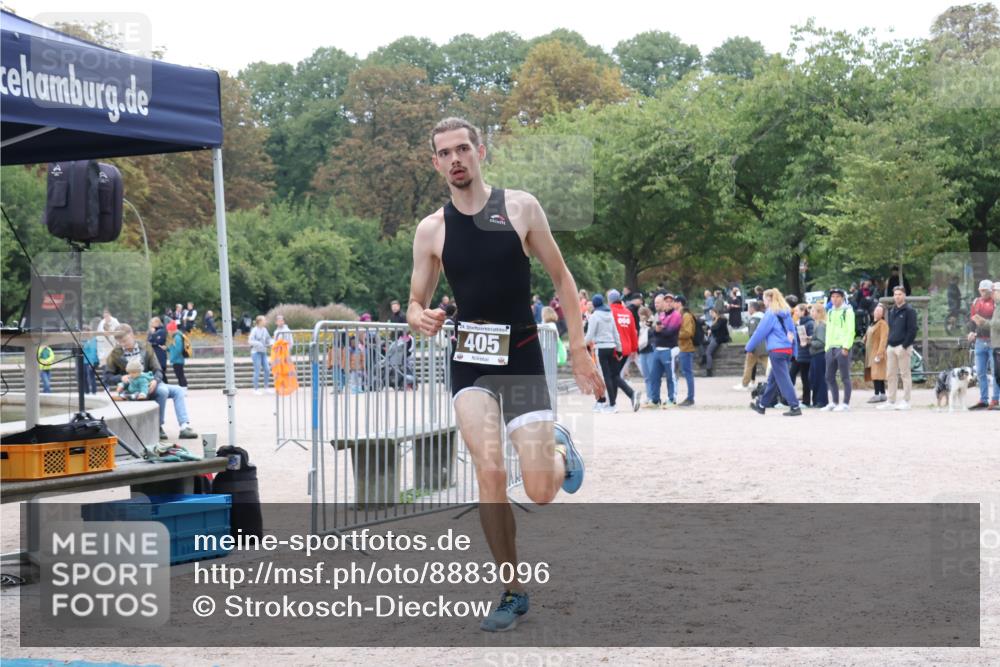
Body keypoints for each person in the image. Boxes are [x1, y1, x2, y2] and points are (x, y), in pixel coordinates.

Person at [407, 117, 597, 633]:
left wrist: (578, 348)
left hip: (523, 354)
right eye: (444, 153)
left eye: (463, 149)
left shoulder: (519, 208)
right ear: (435, 163)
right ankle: (512, 590)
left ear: (481, 151)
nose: (455, 160)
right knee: (488, 471)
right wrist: (418, 316)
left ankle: (558, 451)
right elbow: (414, 302)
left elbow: (561, 277)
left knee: (538, 490)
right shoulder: (433, 229)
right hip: (469, 358)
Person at [104, 324, 198, 440]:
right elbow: (107, 377)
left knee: (178, 390)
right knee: (163, 391)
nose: (124, 344)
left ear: (132, 335)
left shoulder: (146, 347)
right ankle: (158, 426)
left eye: (125, 340)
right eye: (120, 342)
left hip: (150, 382)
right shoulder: (115, 353)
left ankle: (184, 427)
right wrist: (121, 378)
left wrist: (155, 380)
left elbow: (158, 369)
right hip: (133, 387)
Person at [746, 288, 801, 416]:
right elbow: (793, 333)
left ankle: (794, 406)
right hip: (786, 350)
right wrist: (794, 352)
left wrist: (749, 347)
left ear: (769, 299)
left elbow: (760, 332)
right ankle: (762, 405)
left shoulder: (770, 313)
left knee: (783, 379)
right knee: (773, 379)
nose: (763, 302)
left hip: (776, 350)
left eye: (764, 299)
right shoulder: (787, 313)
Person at [878, 286, 918, 411]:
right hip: (891, 346)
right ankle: (891, 400)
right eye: (895, 294)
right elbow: (891, 329)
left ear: (904, 295)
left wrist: (904, 345)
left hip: (903, 347)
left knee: (905, 374)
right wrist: (887, 345)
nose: (897, 296)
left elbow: (912, 330)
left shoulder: (910, 310)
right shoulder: (892, 310)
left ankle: (906, 401)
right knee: (890, 375)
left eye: (900, 294)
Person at [585, 294, 623, 413]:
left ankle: (610, 404)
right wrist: (619, 348)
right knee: (610, 376)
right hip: (611, 346)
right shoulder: (610, 314)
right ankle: (609, 402)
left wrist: (582, 344)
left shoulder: (595, 316)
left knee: (604, 376)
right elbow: (616, 332)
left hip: (601, 347)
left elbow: (590, 334)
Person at [823, 288, 855, 412]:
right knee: (829, 376)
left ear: (842, 298)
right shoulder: (830, 312)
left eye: (837, 296)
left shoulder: (848, 311)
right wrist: (827, 347)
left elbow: (850, 330)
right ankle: (834, 402)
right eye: (833, 297)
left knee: (844, 376)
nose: (835, 299)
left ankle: (846, 403)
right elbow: (828, 330)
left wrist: (846, 346)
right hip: (831, 347)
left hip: (842, 347)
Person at [607, 289, 640, 411]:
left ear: (610, 300)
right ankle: (613, 402)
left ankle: (631, 394)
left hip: (616, 348)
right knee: (615, 375)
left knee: (612, 375)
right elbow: (633, 332)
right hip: (627, 348)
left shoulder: (610, 312)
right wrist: (634, 349)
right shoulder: (628, 312)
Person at [967, 279, 997, 409]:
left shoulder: (996, 303)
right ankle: (983, 399)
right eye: (980, 290)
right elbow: (972, 320)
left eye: (984, 290)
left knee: (996, 372)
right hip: (979, 340)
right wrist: (971, 332)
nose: (982, 292)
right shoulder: (976, 302)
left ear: (991, 290)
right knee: (980, 372)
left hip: (994, 340)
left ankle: (995, 399)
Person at [646, 293, 680, 407]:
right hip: (658, 349)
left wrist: (659, 330)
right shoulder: (661, 315)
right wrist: (658, 330)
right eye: (666, 301)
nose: (669, 303)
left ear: (674, 303)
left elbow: (670, 332)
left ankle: (672, 399)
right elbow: (654, 332)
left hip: (669, 349)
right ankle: (655, 400)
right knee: (654, 376)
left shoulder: (676, 315)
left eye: (671, 301)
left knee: (671, 376)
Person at [734, 301, 767, 390]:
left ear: (752, 308)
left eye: (749, 308)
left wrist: (750, 348)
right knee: (768, 366)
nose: (748, 310)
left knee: (748, 366)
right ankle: (776, 382)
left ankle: (745, 384)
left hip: (756, 347)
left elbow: (753, 335)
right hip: (765, 346)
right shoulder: (764, 317)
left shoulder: (754, 319)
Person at [863, 303, 889, 404]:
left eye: (879, 311)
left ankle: (877, 394)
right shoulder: (872, 323)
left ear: (883, 314)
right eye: (876, 310)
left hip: (877, 352)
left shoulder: (882, 324)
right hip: (870, 352)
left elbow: (883, 339)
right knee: (877, 374)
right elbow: (868, 334)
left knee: (877, 374)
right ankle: (882, 394)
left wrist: (880, 353)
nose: (877, 312)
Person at [676, 296, 697, 406]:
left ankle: (690, 397)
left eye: (674, 302)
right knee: (685, 372)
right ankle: (689, 397)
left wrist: (674, 334)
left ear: (679, 303)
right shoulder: (681, 315)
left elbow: (688, 333)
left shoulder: (687, 316)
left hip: (686, 347)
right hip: (682, 347)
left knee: (688, 373)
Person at [791, 303, 814, 406]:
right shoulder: (798, 323)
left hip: (805, 356)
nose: (795, 312)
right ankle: (789, 398)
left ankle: (806, 401)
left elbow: (811, 338)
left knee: (805, 378)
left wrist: (806, 339)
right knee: (791, 375)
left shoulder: (809, 323)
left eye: (797, 311)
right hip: (798, 354)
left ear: (803, 311)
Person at [808, 304, 829, 408]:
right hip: (816, 355)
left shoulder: (821, 325)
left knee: (819, 378)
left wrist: (810, 342)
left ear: (819, 312)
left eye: (813, 311)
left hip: (819, 354)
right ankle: (817, 400)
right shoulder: (817, 324)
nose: (811, 313)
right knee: (815, 377)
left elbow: (821, 342)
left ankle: (821, 401)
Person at [248, 315, 273, 395]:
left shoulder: (265, 329)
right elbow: (250, 341)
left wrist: (272, 343)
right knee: (257, 370)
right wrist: (258, 343)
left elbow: (268, 338)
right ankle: (255, 389)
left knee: (267, 369)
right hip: (256, 353)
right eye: (264, 320)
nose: (265, 321)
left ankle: (266, 388)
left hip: (263, 352)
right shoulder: (254, 330)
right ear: (259, 322)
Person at [705, 308, 730, 378]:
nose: (711, 315)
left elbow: (716, 327)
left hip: (720, 338)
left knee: (708, 352)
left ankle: (709, 370)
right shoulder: (714, 320)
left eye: (711, 313)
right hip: (715, 337)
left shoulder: (722, 320)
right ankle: (704, 359)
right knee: (704, 344)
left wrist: (711, 329)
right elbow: (711, 328)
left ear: (715, 313)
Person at [166, 319, 188, 388]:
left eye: (169, 330)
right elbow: (174, 348)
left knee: (180, 375)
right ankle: (183, 388)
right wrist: (167, 348)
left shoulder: (177, 337)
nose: (168, 332)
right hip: (178, 360)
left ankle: (184, 388)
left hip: (178, 360)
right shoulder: (176, 336)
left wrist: (172, 359)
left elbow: (178, 350)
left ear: (172, 330)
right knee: (180, 375)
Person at [81, 324, 99, 394]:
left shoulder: (93, 339)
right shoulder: (83, 340)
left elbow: (93, 351)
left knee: (91, 376)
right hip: (84, 361)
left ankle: (94, 392)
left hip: (91, 361)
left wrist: (91, 362)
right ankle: (87, 392)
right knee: (84, 377)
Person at [991, 280, 1000, 409]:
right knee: (997, 375)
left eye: (995, 291)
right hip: (996, 345)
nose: (993, 294)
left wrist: (987, 323)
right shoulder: (997, 306)